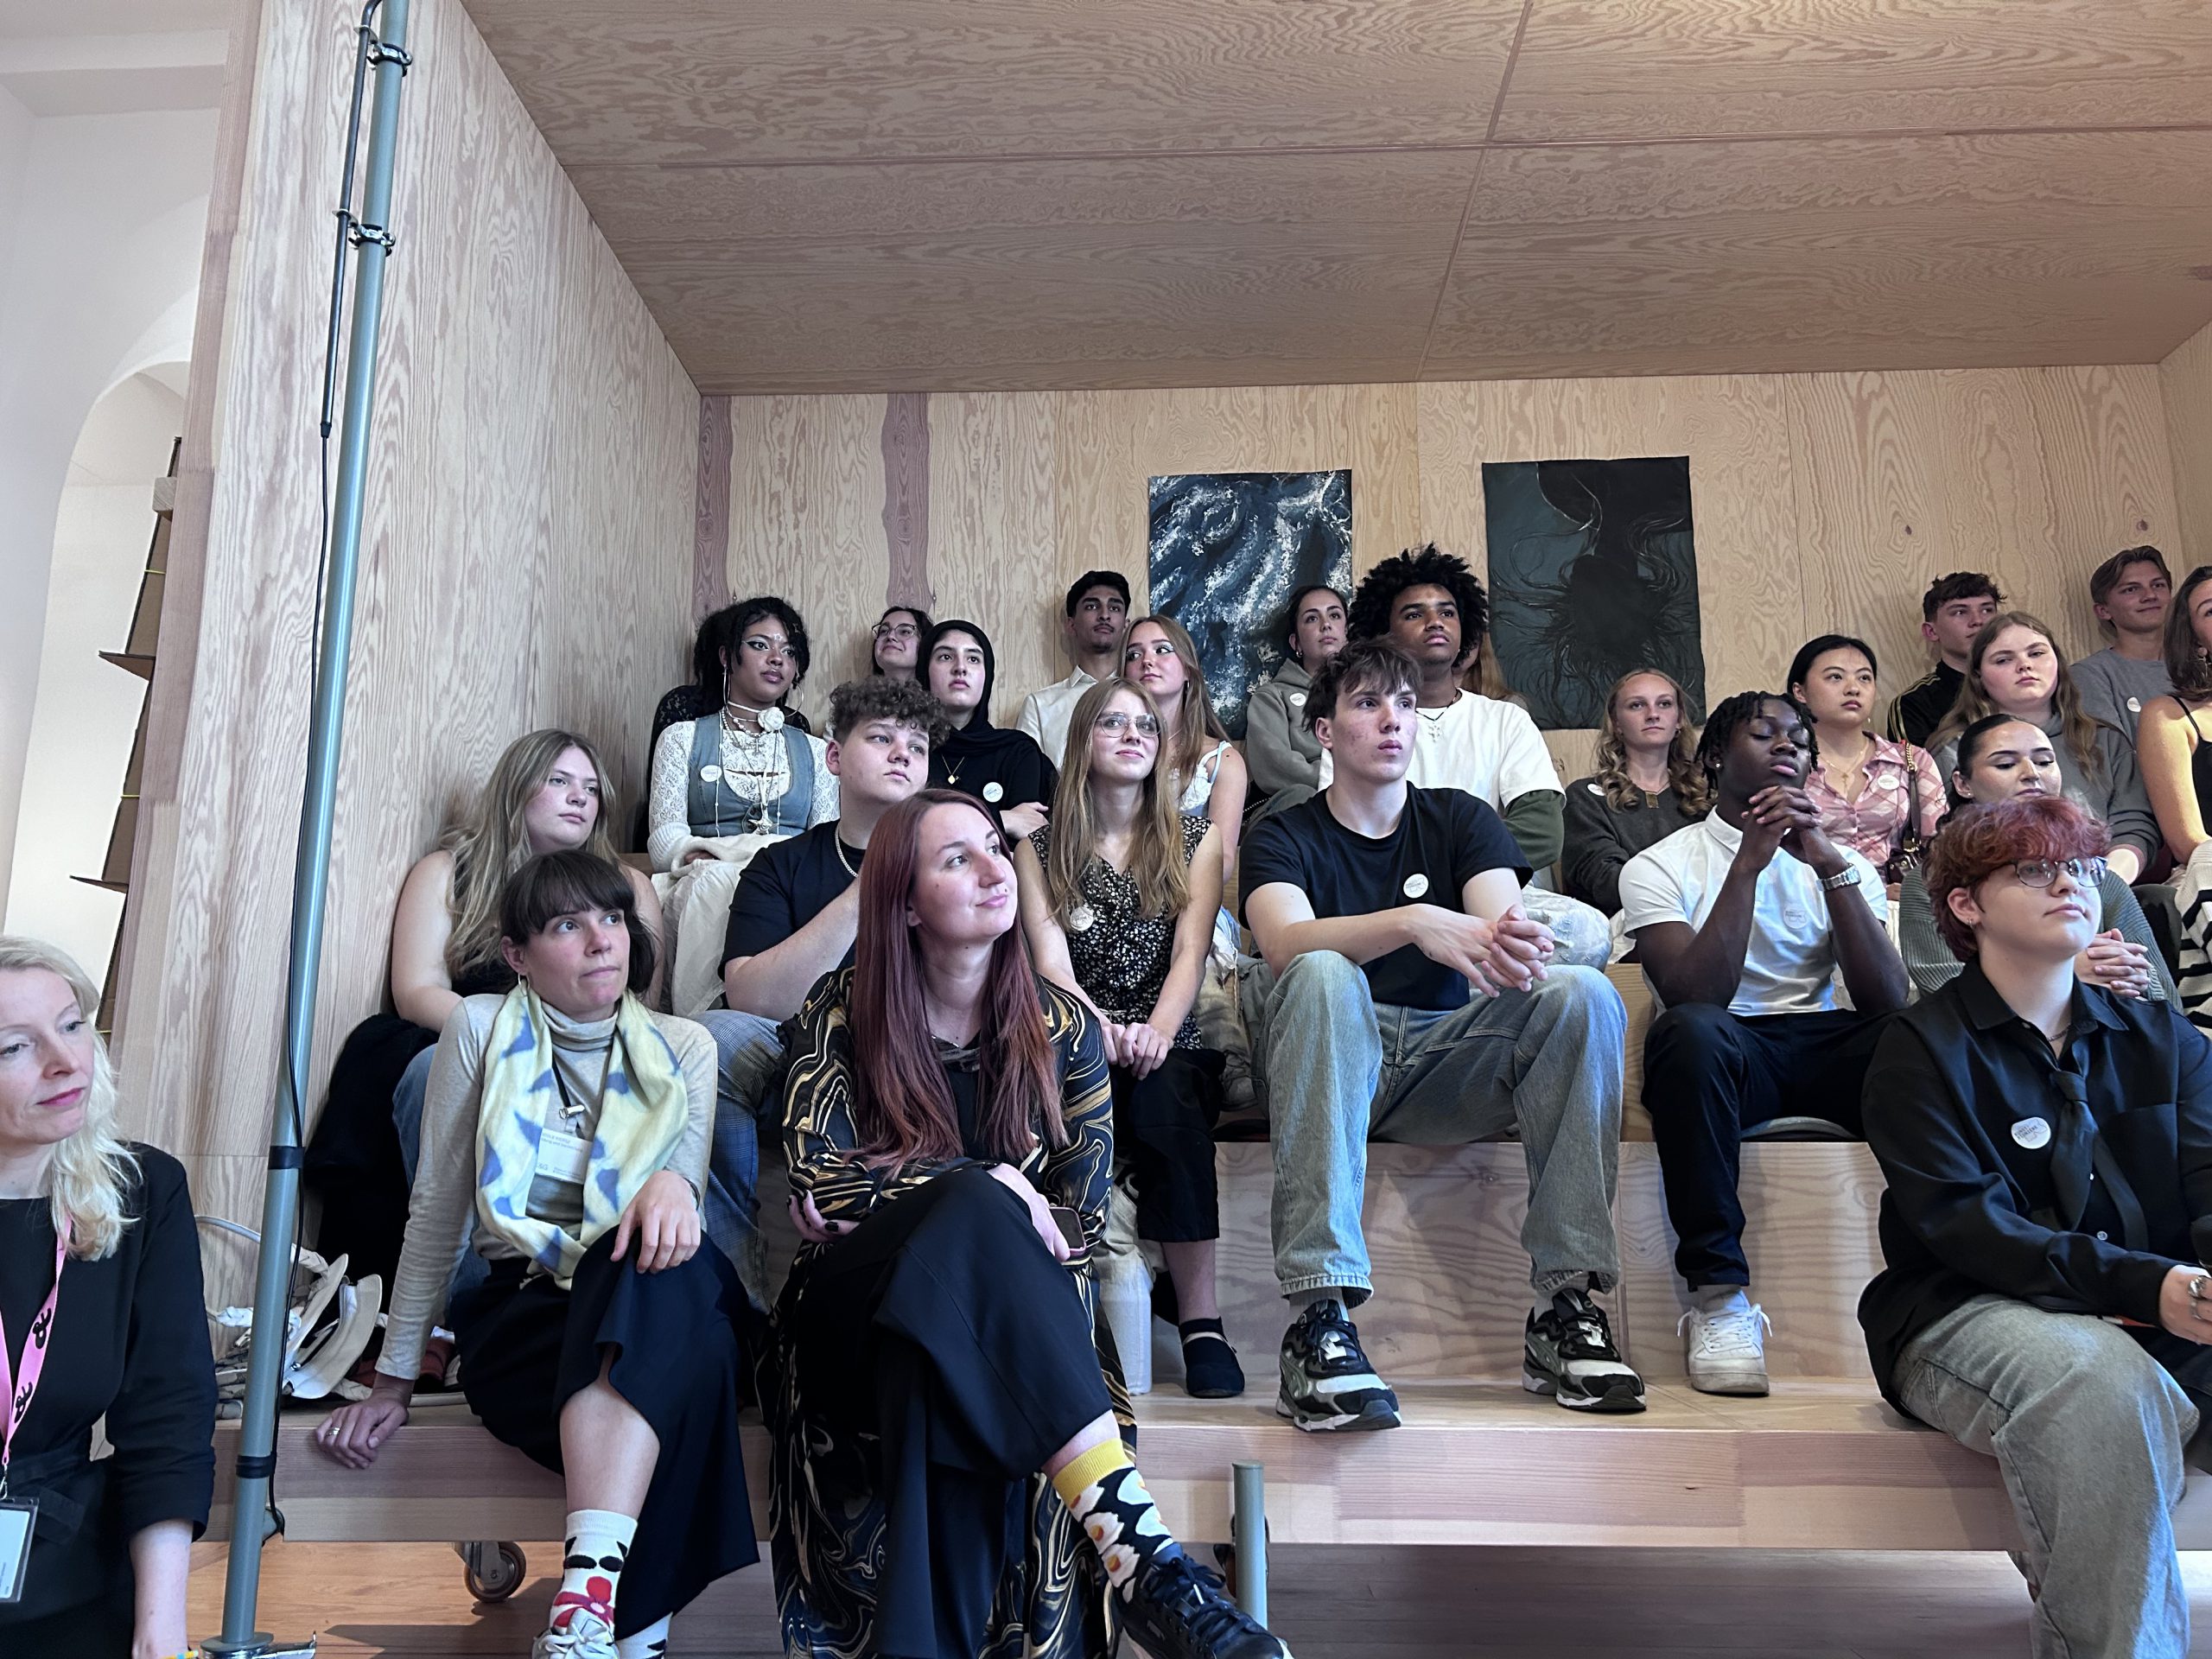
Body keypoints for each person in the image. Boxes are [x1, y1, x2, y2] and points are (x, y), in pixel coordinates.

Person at [768, 790, 1287, 1659]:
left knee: (933, 1361)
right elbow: (823, 1184)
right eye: (956, 859)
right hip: (844, 1323)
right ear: (904, 903)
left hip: (976, 1337)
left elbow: (1078, 1226)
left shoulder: (1062, 1025)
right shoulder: (841, 1010)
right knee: (976, 1214)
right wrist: (996, 1185)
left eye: (993, 846)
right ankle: (1144, 1557)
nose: (994, 869)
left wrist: (924, 1192)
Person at [316, 851, 755, 1659]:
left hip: (660, 1286)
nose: (602, 940)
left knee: (644, 1262)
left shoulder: (685, 1045)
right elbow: (437, 1210)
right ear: (516, 955)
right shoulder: (481, 1029)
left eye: (613, 918)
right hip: (529, 1318)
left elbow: (678, 1213)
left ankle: (585, 1602)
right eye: (567, 925)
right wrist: (394, 1379)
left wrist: (674, 1186)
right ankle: (631, 1636)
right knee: (684, 1370)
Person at [1240, 639, 1641, 1428]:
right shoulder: (1282, 833)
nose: (1393, 720)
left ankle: (1565, 1309)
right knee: (1322, 975)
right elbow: (1283, 946)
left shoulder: (1461, 818)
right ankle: (1319, 1321)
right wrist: (1414, 921)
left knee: (1584, 994)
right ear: (1324, 731)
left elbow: (1501, 938)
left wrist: (1513, 941)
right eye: (1367, 704)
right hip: (1326, 1064)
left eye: (1403, 704)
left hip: (1444, 1061)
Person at [1859, 794, 2212, 1659]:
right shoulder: (1917, 1048)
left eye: (2082, 867)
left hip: (2152, 1310)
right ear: (1966, 905)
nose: (2070, 884)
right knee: (2099, 1381)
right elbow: (1968, 1231)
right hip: (1965, 1312)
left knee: (2114, 1376)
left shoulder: (2165, 1038)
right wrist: (2146, 1287)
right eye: (2034, 869)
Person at [308, 730, 661, 1319]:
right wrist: (509, 1042)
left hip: (592, 1047)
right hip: (470, 1034)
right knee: (432, 1067)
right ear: (516, 788)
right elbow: (416, 989)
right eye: (559, 781)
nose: (580, 797)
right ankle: (456, 1314)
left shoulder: (628, 887)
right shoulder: (449, 871)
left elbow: (641, 1002)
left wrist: (562, 1047)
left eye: (592, 789)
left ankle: (521, 1304)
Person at [1619, 691, 1909, 1395]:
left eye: (1799, 740)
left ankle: (1944, 1272)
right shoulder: (1659, 865)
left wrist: (1829, 866)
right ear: (1717, 756)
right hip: (1725, 1052)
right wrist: (1748, 863)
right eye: (1764, 734)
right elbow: (1695, 994)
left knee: (1918, 1037)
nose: (1788, 746)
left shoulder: (1844, 863)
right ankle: (1719, 1300)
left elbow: (1885, 998)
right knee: (1689, 1032)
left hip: (1820, 1041)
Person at [1015, 679, 1241, 1398]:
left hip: (1170, 1032)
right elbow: (1050, 964)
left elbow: (1191, 955)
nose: (1133, 735)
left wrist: (1156, 1033)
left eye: (1145, 725)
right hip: (1074, 1029)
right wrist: (1102, 1030)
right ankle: (1060, 1305)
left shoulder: (1196, 841)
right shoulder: (1038, 848)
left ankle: (1201, 1320)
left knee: (1168, 1100)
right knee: (1052, 1090)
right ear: (1083, 740)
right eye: (1113, 723)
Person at [695, 677, 944, 1300]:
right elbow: (750, 1000)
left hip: (918, 1059)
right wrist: (869, 887)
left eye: (917, 746)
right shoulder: (780, 865)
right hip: (799, 1060)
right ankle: (738, 1299)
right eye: (881, 738)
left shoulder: (952, 866)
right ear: (834, 757)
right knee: (711, 1040)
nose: (902, 754)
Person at [0, 938, 214, 1659]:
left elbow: (166, 1420)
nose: (66, 1061)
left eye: (72, 1025)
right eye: (14, 1047)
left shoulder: (143, 1191)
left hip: (69, 1568)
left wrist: (161, 1634)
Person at [1317, 545, 1611, 965]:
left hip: (1493, 892)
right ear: (1383, 633)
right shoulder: (1356, 724)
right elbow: (1342, 832)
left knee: (1588, 932)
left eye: (1448, 612)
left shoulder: (1506, 720)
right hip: (1389, 898)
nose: (1435, 621)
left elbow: (1543, 830)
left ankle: (1466, 977)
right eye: (1414, 614)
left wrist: (1459, 872)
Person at [648, 596, 839, 1017]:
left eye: (789, 650)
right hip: (703, 878)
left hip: (788, 883)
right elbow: (664, 839)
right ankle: (704, 1026)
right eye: (760, 645)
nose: (777, 659)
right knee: (716, 884)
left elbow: (824, 843)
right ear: (726, 657)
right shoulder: (681, 738)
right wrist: (706, 857)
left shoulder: (816, 751)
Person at [1898, 715, 2172, 1003]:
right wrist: (2062, 975)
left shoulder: (2095, 875)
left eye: (2044, 762)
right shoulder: (1929, 882)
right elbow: (1942, 992)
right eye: (2006, 764)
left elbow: (2166, 1000)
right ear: (1963, 784)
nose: (2031, 773)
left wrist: (2134, 979)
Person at [1928, 612, 2158, 883]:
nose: (2024, 665)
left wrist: (2103, 884)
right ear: (1978, 676)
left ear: (2058, 662)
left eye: (2036, 653)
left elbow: (2134, 828)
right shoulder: (1953, 749)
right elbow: (1946, 840)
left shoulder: (2105, 739)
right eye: (2004, 660)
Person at [1787, 633, 1945, 872]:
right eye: (1835, 677)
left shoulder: (1912, 760)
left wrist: (1913, 888)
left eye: (1864, 678)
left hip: (1893, 893)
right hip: (1806, 891)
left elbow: (1940, 848)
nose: (1853, 689)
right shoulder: (1784, 762)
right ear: (1800, 692)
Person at [1562, 670, 1707, 916]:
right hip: (1623, 930)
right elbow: (1608, 884)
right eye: (1637, 705)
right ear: (1616, 723)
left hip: (1704, 921)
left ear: (1680, 719)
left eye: (1664, 704)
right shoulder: (1585, 798)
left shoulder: (1707, 796)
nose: (1653, 714)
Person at [1123, 613, 1249, 877]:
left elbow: (1223, 863)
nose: (1146, 661)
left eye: (1162, 650)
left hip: (1189, 890)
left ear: (1188, 670)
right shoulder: (1111, 748)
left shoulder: (1221, 761)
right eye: (1133, 655)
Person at [924, 617, 1058, 839]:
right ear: (924, 671)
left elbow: (1022, 841)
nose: (960, 668)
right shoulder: (908, 748)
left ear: (987, 675)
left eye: (973, 659)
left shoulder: (1016, 751)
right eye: (946, 657)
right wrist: (1002, 820)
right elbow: (899, 830)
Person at [1017, 570, 1133, 768]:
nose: (1104, 615)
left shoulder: (1145, 699)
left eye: (1114, 608)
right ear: (1071, 625)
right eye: (1092, 606)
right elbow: (1027, 777)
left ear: (1125, 626)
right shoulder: (1040, 706)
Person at [1243, 582, 1345, 798]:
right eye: (1312, 618)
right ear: (1296, 643)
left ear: (1347, 633)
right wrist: (1346, 779)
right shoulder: (1272, 697)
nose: (1326, 625)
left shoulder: (1371, 694)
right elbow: (1274, 768)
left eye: (1335, 615)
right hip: (1304, 804)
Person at [1887, 571, 2004, 746]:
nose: (1978, 620)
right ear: (1931, 631)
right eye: (1960, 612)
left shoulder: (2022, 681)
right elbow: (1914, 763)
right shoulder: (1914, 704)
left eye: (1987, 610)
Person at [2074, 544, 2174, 741]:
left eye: (2158, 585)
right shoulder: (2091, 675)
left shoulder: (2200, 663)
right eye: (2131, 589)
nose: (2150, 595)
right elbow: (2110, 754)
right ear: (2103, 611)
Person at [869, 603, 931, 683]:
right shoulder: (859, 691)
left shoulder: (941, 691)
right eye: (884, 631)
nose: (890, 636)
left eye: (904, 631)